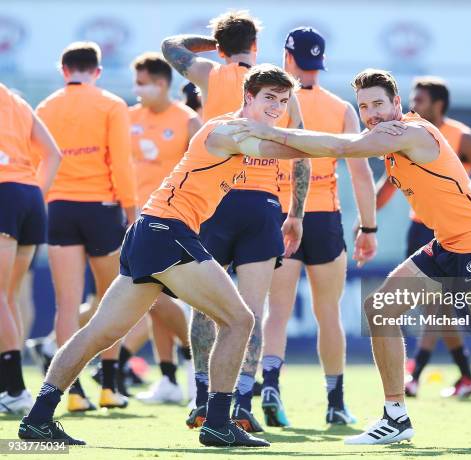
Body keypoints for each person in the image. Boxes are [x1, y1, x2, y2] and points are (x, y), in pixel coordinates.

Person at [227, 68, 471, 446]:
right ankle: (396, 415)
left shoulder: (409, 132)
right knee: (381, 308)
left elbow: (341, 149)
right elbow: (351, 153)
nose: (372, 113)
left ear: (397, 103)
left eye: (378, 103)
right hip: (448, 243)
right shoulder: (388, 139)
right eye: (364, 107)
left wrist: (270, 133)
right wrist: (367, 228)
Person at [18, 63, 314, 447]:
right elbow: (308, 146)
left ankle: (38, 418)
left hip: (152, 230)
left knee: (100, 333)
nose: (276, 106)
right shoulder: (230, 129)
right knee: (239, 320)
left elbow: (293, 144)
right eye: (269, 98)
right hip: (166, 231)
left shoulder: (239, 130)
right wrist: (362, 143)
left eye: (283, 100)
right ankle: (218, 422)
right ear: (248, 98)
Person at [162, 10, 306, 432]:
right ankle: (241, 401)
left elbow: (171, 46)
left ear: (221, 47)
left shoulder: (209, 72)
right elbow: (300, 153)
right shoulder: (277, 89)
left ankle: (202, 396)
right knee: (251, 309)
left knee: (205, 307)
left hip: (214, 198)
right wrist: (296, 213)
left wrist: (216, 47)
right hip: (263, 203)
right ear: (256, 47)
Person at [260, 27, 377, 428]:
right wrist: (369, 228)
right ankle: (335, 402)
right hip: (325, 215)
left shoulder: (272, 102)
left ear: (286, 57)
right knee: (329, 313)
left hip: (279, 213)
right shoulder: (340, 107)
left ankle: (271, 387)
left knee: (276, 312)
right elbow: (361, 174)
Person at [376, 76, 471, 399]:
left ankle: (417, 373)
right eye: (412, 99)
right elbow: (388, 184)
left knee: (440, 307)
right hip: (421, 229)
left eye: (420, 100)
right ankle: (464, 376)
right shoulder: (405, 135)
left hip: (461, 234)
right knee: (436, 306)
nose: (413, 105)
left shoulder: (462, 136)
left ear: (438, 105)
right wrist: (367, 222)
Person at [35, 42, 137, 412]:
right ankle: (109, 387)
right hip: (102, 207)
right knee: (109, 303)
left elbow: (39, 162)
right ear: (97, 71)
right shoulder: (111, 104)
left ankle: (72, 393)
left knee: (66, 305)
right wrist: (131, 210)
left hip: (59, 207)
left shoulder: (46, 106)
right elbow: (121, 164)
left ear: (64, 70)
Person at [127, 52, 201, 403]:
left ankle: (194, 356)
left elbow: (201, 171)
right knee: (152, 297)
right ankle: (169, 378)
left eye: (141, 83)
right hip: (135, 220)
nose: (136, 90)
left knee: (166, 296)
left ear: (160, 84)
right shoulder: (129, 118)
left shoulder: (187, 120)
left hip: (175, 220)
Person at [0, 84, 62, 414]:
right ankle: (7, 388)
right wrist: (34, 194)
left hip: (5, 195)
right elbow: (53, 154)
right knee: (7, 299)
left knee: (2, 299)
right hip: (29, 197)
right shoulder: (18, 101)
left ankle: (14, 389)